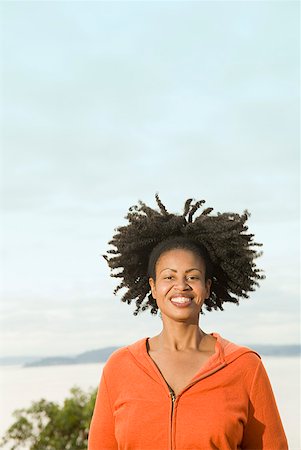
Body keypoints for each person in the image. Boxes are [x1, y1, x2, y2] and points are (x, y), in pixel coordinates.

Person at [88, 195, 288, 450]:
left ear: (206, 287)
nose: (180, 286)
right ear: (153, 287)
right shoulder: (120, 367)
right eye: (168, 277)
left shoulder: (245, 367)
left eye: (192, 277)